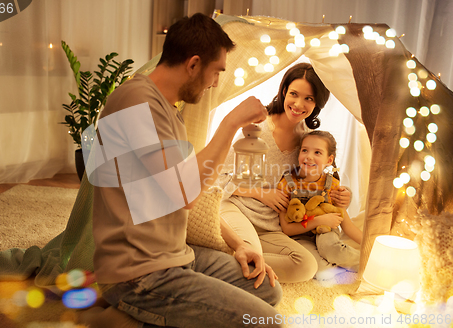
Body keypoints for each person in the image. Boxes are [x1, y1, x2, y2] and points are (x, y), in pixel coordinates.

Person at [81, 13, 284, 328]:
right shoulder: (137, 102)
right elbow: (184, 193)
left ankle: (136, 317)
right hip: (139, 272)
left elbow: (181, 197)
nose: (216, 82)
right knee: (265, 321)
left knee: (267, 291)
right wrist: (231, 123)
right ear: (193, 64)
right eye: (216, 72)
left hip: (175, 254)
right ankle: (122, 313)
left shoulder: (168, 112)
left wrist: (238, 243)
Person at [219, 62, 352, 283]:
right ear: (283, 92)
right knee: (253, 256)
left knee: (307, 266)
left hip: (271, 225)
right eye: (294, 94)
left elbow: (316, 183)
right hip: (236, 208)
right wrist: (261, 193)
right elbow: (218, 179)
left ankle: (234, 258)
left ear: (317, 102)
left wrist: (343, 196)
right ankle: (232, 262)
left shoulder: (308, 142)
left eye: (309, 98)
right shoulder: (256, 129)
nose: (299, 104)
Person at [277, 131, 362, 280]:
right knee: (319, 269)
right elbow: (287, 229)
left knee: (331, 249)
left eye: (317, 152)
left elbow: (347, 225)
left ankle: (367, 263)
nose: (309, 156)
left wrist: (372, 248)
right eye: (305, 150)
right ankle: (343, 268)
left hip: (327, 231)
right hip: (300, 235)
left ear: (329, 160)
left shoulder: (332, 184)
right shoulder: (286, 183)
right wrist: (318, 221)